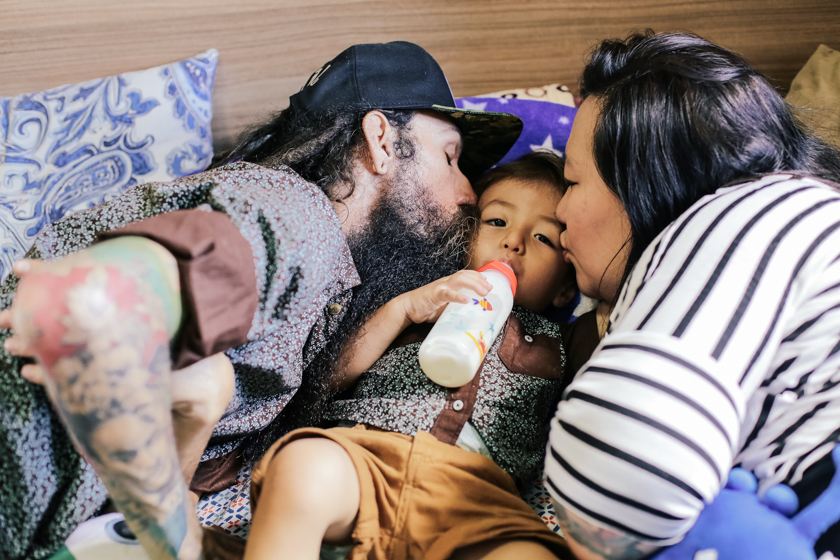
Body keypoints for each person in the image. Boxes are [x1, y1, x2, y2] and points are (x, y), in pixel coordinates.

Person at [0, 41, 523, 560]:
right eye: (451, 158)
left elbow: (290, 364)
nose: (469, 194)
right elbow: (217, 254)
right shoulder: (295, 212)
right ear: (381, 141)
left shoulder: (328, 279)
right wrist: (117, 298)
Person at [543, 31, 840, 560]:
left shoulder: (756, 211)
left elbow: (617, 481)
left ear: (645, 180)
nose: (559, 212)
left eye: (571, 181)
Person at [206, 151, 579, 560]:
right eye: (497, 221)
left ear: (566, 287)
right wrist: (402, 311)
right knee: (300, 467)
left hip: (476, 494)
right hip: (368, 457)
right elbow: (332, 375)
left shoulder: (563, 340)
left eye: (543, 237)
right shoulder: (424, 296)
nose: (514, 241)